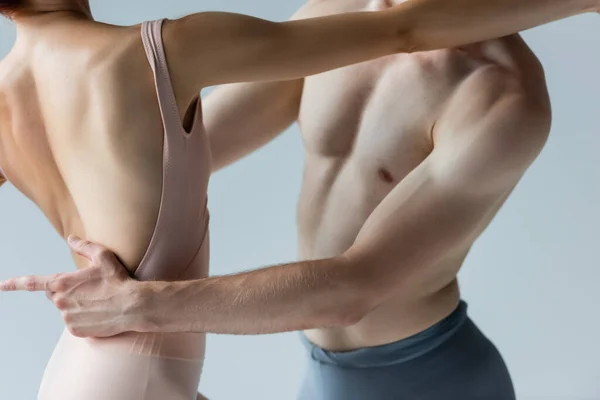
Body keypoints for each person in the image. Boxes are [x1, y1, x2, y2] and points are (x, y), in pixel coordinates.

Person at [0, 0, 597, 400]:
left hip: (424, 377)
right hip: (320, 374)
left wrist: (136, 308)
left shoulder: (503, 95)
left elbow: (352, 290)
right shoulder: (329, 17)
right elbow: (182, 158)